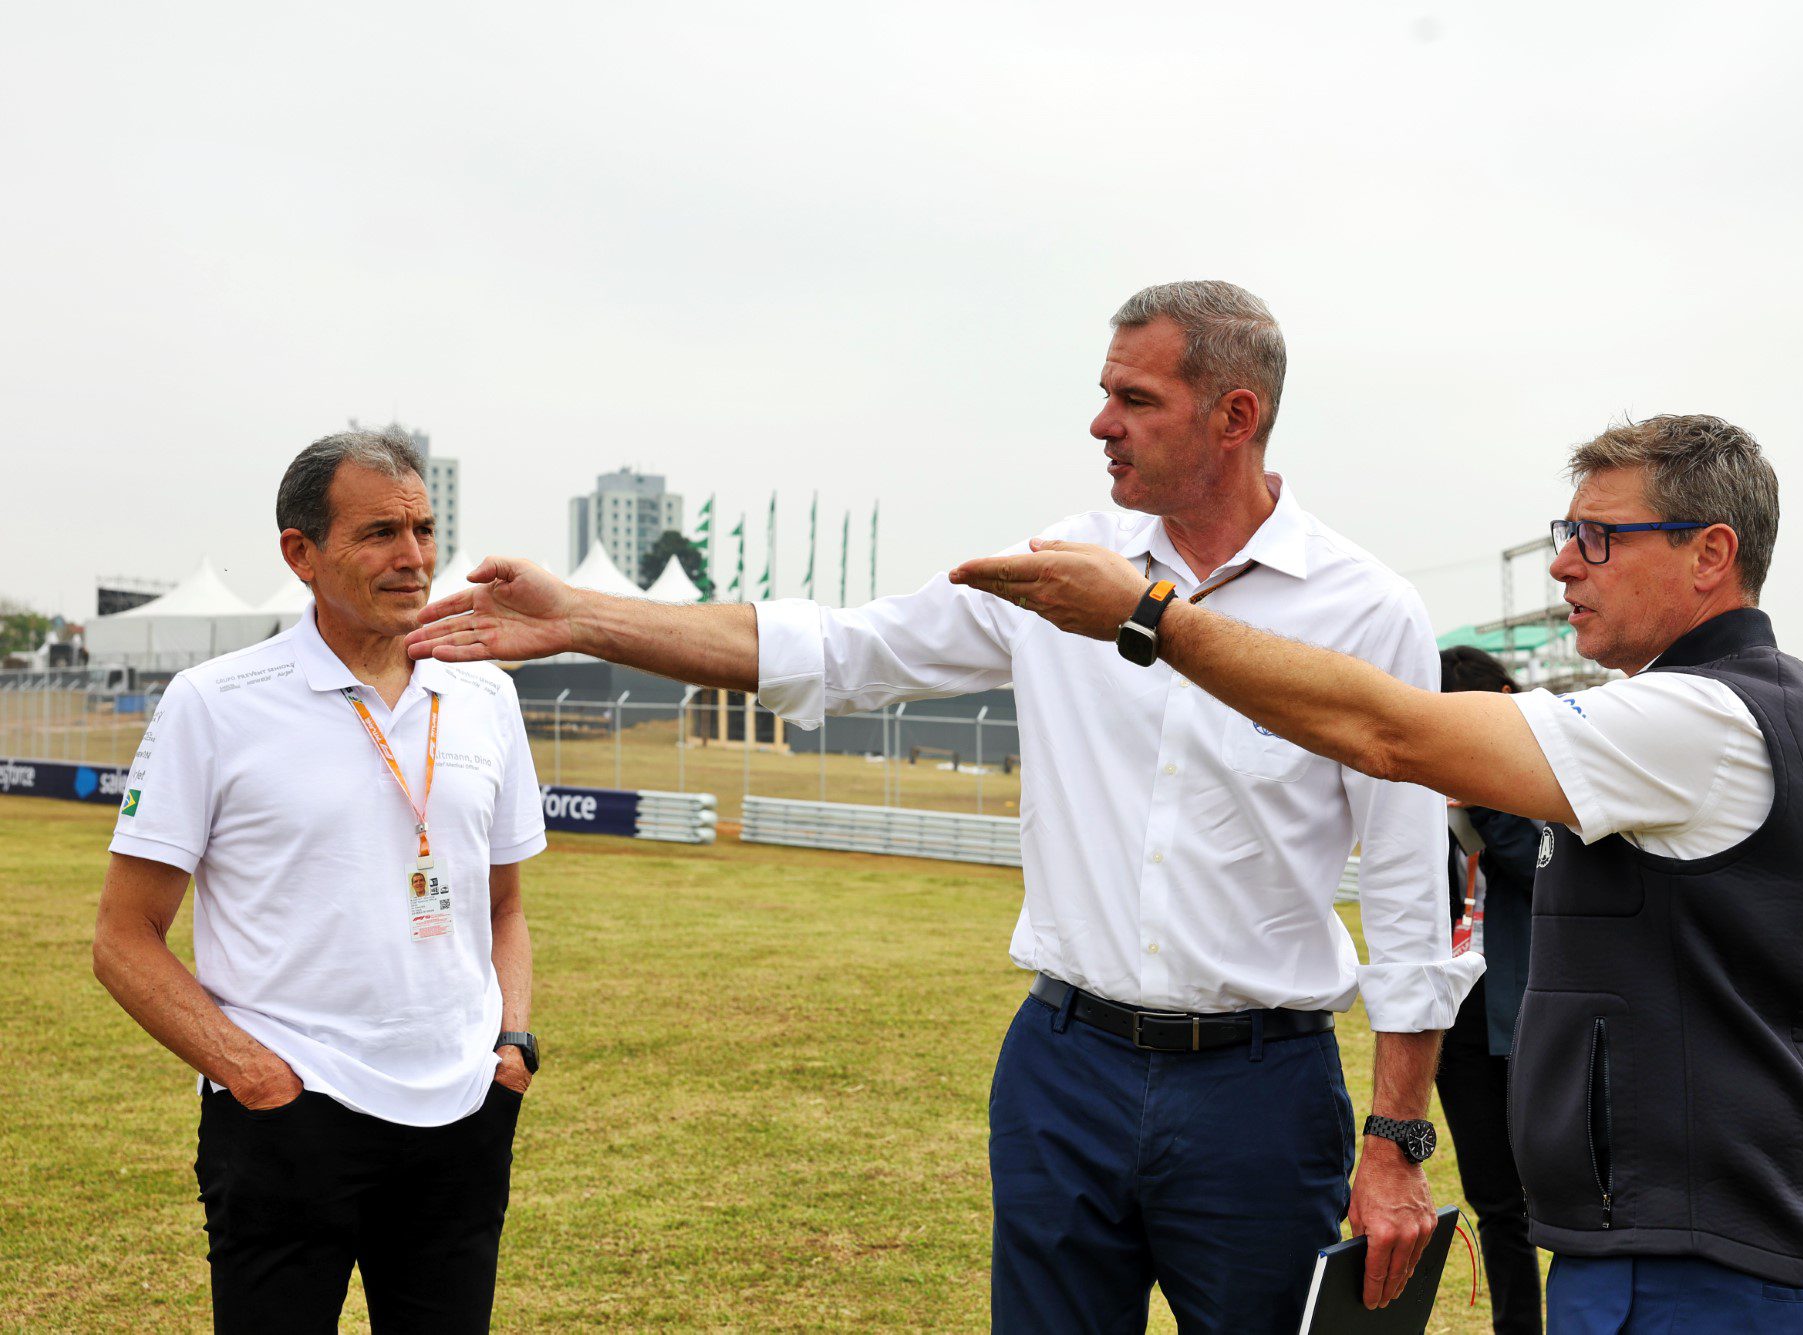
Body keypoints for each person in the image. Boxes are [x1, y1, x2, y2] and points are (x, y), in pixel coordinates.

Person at [409, 281, 1481, 1332]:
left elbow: (1401, 892)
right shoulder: (1058, 570)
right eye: (1104, 392)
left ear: (1234, 416)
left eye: (1135, 399)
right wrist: (584, 617)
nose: (1099, 423)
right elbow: (835, 653)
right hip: (1065, 1069)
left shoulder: (1364, 609)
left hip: (1261, 1091)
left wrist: (1394, 1142)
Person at [953, 413, 1803, 1332]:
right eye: (1567, 536)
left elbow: (1390, 735)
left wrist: (1150, 615)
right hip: (1681, 1243)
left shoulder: (1701, 723)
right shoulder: (1740, 714)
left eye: (1598, 536)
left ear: (1710, 553)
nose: (1564, 565)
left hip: (1701, 1265)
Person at [92, 430, 548, 1334]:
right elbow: (121, 939)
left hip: (462, 1116)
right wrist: (256, 1078)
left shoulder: (486, 694)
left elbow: (504, 905)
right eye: (378, 532)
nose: (412, 557)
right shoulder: (215, 702)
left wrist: (514, 1047)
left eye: (422, 527)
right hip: (290, 1123)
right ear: (301, 553)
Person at [1435, 645, 1542, 1335]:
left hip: (1528, 1011)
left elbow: (1544, 867)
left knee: (1565, 1206)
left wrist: (1483, 793)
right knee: (1497, 1203)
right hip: (1457, 1011)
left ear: (1504, 696)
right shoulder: (1427, 782)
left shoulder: (1552, 768)